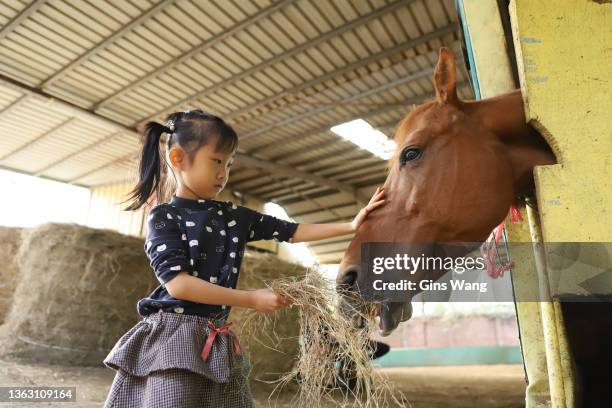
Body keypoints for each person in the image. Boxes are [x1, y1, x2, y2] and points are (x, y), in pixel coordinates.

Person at [102, 109, 386, 407]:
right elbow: (178, 285)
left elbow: (291, 231)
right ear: (178, 158)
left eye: (229, 164)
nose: (224, 173)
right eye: (216, 162)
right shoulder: (164, 217)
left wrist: (351, 225)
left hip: (216, 336)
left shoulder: (233, 217)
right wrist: (251, 299)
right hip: (175, 335)